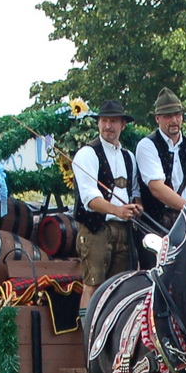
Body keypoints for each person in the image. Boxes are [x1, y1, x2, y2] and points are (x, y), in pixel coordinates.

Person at [72, 100, 144, 294]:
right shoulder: (87, 154)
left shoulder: (129, 157)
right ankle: (88, 325)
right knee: (93, 285)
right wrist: (117, 210)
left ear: (123, 125)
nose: (108, 126)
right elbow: (89, 198)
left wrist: (137, 206)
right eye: (104, 120)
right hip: (95, 229)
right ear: (98, 123)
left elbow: (135, 191)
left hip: (124, 230)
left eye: (113, 121)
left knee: (121, 287)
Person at [134, 88, 186, 229]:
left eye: (177, 115)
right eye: (168, 116)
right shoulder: (147, 146)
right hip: (155, 225)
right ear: (157, 118)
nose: (174, 120)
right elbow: (156, 188)